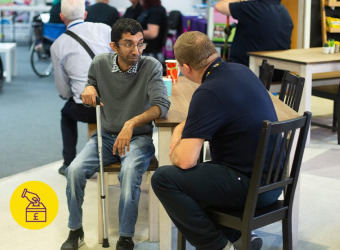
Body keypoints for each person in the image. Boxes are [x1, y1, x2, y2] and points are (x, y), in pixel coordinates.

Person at [151, 31, 282, 250]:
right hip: (274, 181)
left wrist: (174, 149)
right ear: (213, 52)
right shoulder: (241, 71)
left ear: (185, 67)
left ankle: (218, 246)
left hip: (251, 187)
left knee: (165, 178)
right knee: (195, 178)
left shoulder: (208, 91)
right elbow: (213, 115)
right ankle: (239, 237)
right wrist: (183, 127)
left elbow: (185, 161)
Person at [60, 18, 170, 250]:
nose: (136, 50)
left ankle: (125, 235)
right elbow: (90, 87)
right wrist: (88, 89)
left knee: (129, 172)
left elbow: (161, 105)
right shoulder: (99, 64)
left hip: (138, 138)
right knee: (74, 171)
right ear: (114, 46)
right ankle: (75, 230)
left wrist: (130, 123)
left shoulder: (151, 66)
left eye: (140, 44)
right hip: (106, 136)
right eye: (129, 44)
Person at [50, 0, 112, 176]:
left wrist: (71, 94)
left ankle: (68, 162)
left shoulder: (58, 45)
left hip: (85, 108)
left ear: (62, 17)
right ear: (85, 14)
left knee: (66, 114)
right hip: (115, 105)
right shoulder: (105, 29)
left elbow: (63, 89)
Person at [215, 0, 293, 80]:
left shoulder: (252, 7)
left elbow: (219, 6)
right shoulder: (285, 13)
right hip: (278, 74)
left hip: (247, 71)